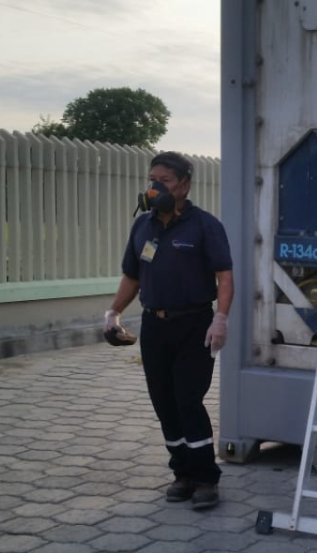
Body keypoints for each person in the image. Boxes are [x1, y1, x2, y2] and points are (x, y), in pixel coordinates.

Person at [104, 151, 234, 509]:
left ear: (184, 185)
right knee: (164, 402)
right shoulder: (142, 227)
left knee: (187, 401)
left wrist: (221, 318)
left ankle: (206, 478)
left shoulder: (205, 225)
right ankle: (182, 473)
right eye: (152, 180)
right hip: (154, 326)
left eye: (164, 181)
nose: (154, 188)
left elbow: (224, 276)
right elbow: (132, 276)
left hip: (194, 325)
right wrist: (114, 312)